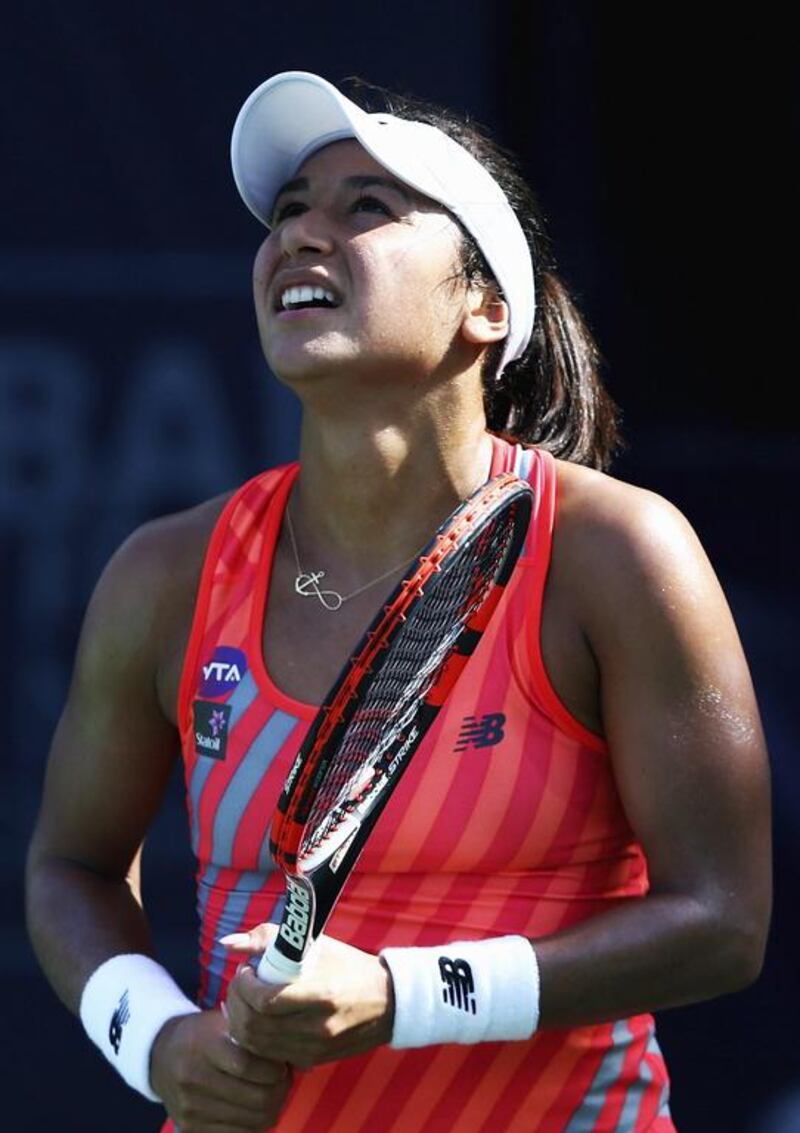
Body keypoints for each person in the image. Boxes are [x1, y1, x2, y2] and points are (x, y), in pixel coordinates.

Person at [25, 70, 772, 1133]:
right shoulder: (166, 574)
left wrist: (398, 1000)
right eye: (287, 214)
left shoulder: (616, 554)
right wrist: (153, 1037)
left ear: (484, 306)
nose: (302, 235)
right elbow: (70, 866)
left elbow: (720, 923)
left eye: (364, 208)